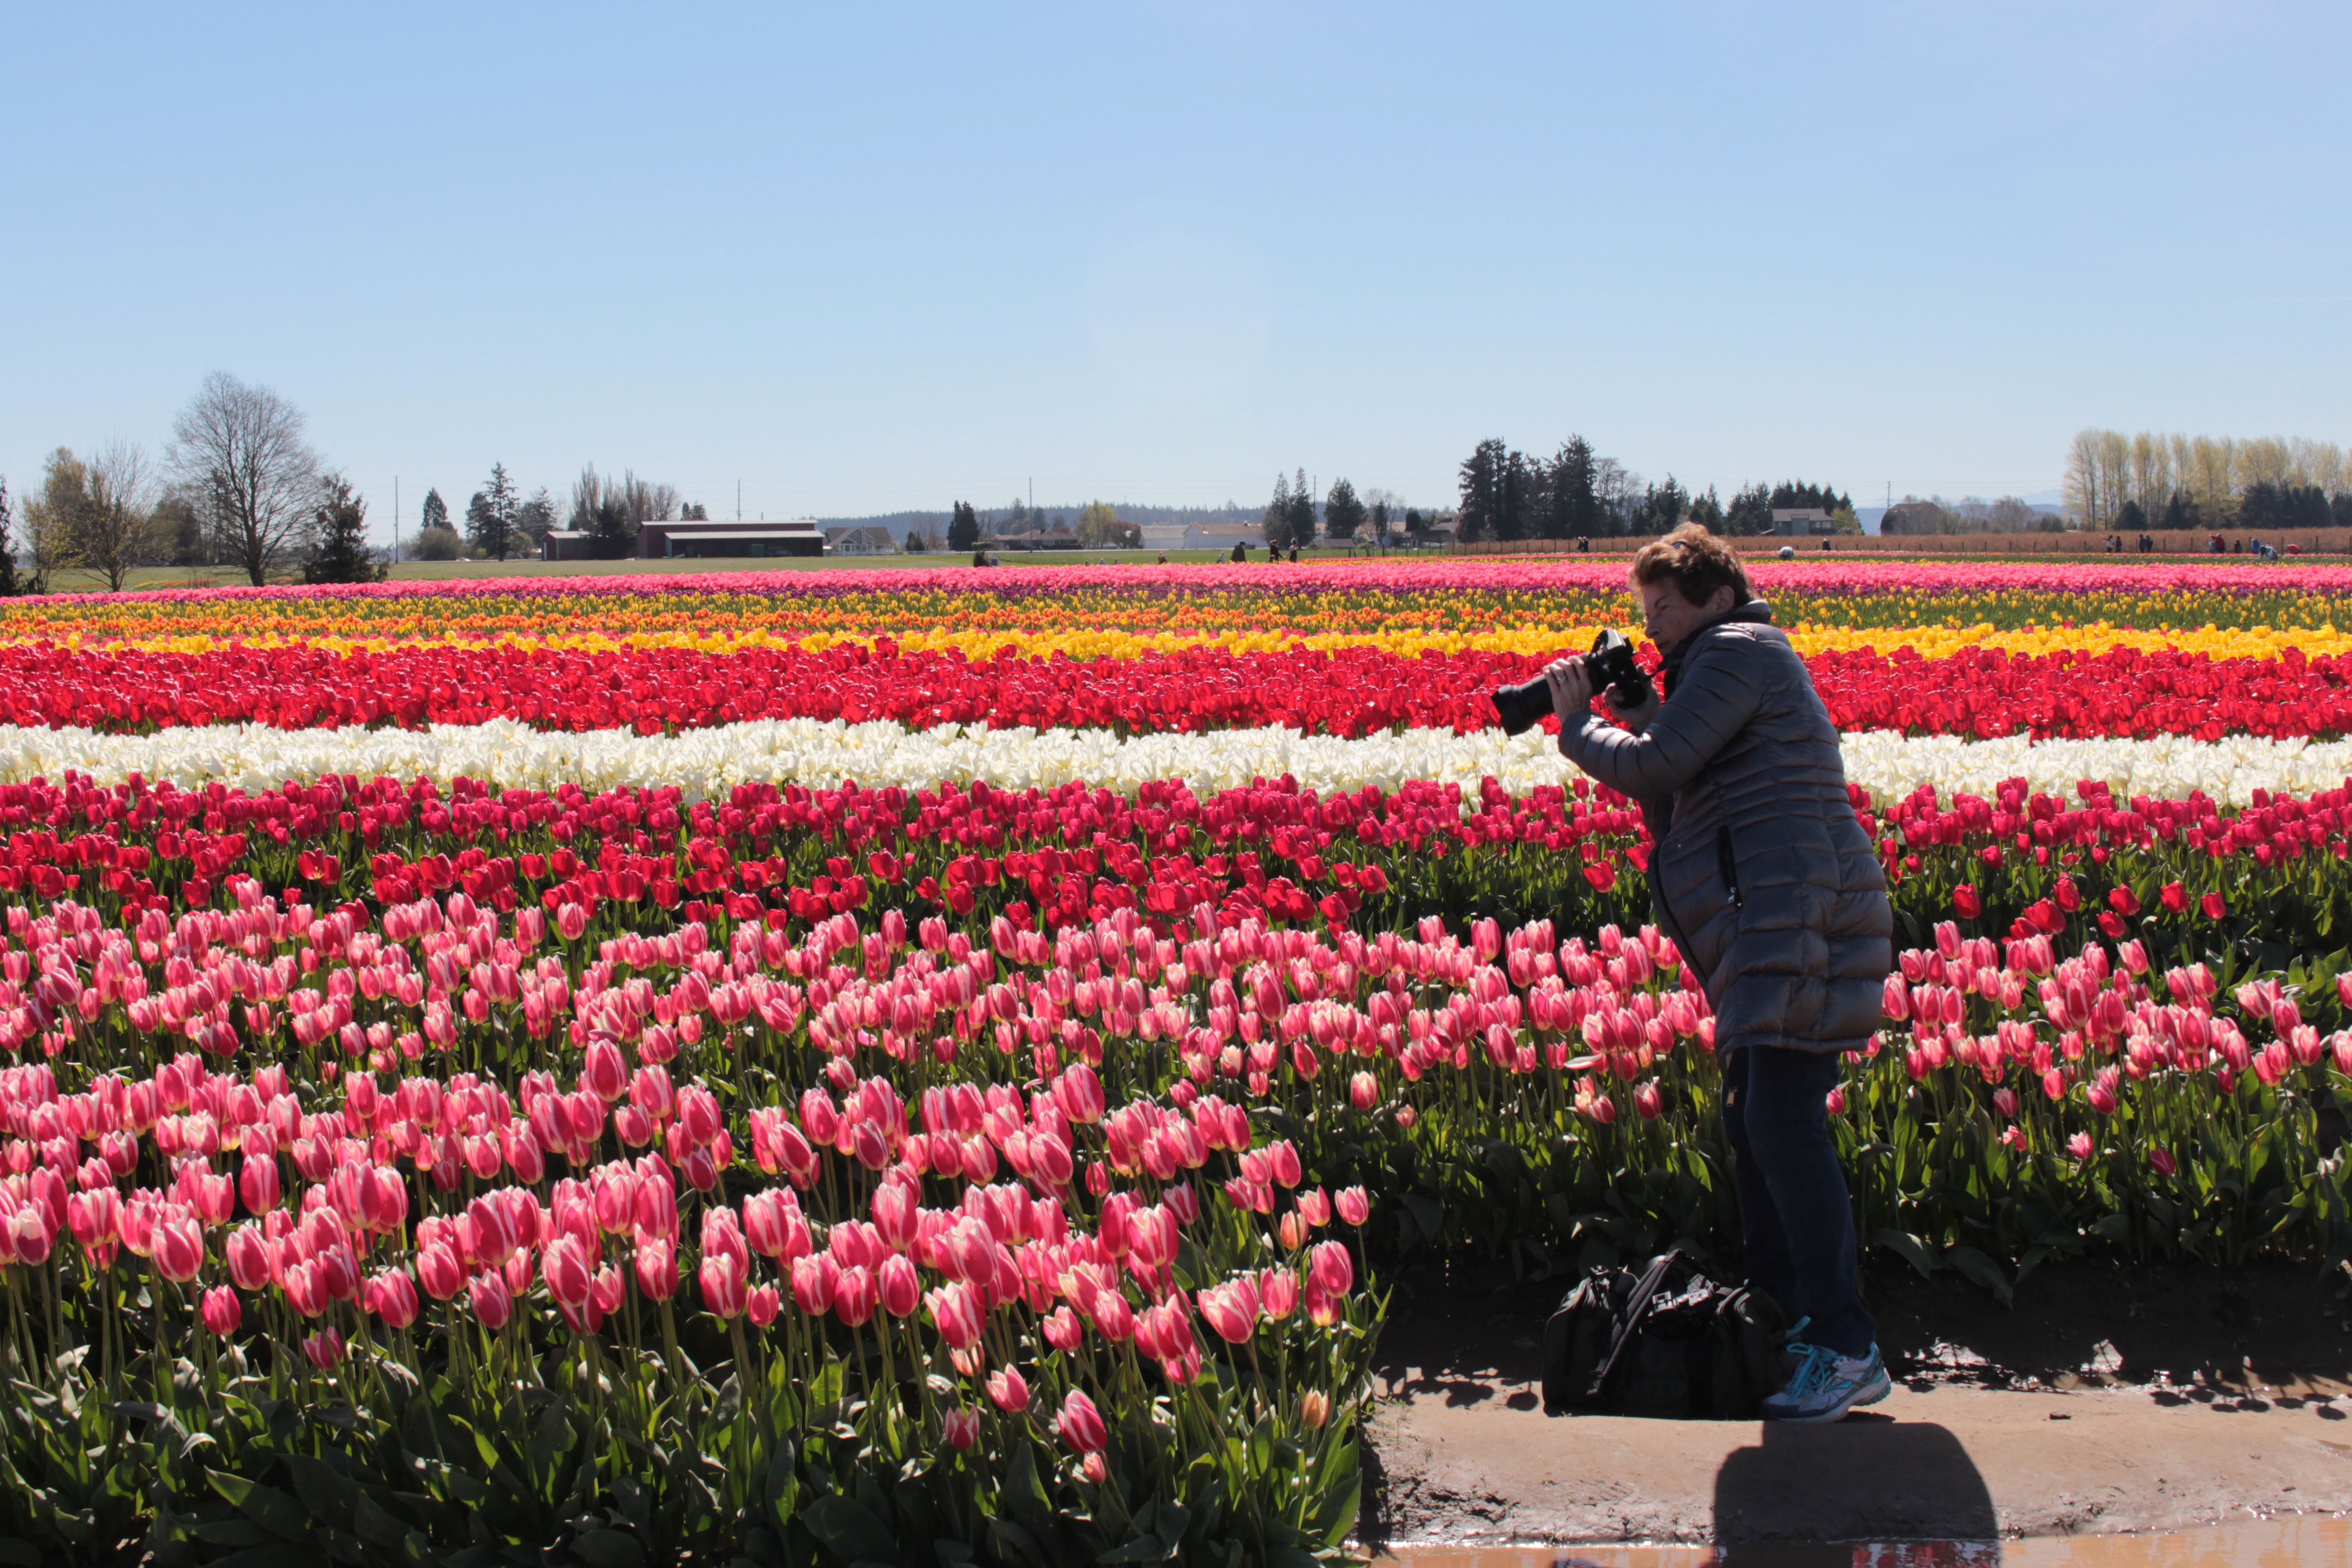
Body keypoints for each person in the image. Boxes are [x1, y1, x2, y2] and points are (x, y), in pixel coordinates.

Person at [1543, 523, 1894, 1423]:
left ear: (1719, 598)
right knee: (1753, 1121)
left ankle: (1847, 1345)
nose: (1652, 627)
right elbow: (1681, 790)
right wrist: (1636, 713)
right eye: (1645, 610)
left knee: (1779, 1122)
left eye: (1666, 608)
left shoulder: (1741, 650)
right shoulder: (1716, 666)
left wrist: (1579, 726)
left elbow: (1662, 767)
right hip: (1769, 918)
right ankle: (1778, 1327)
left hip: (1796, 911)